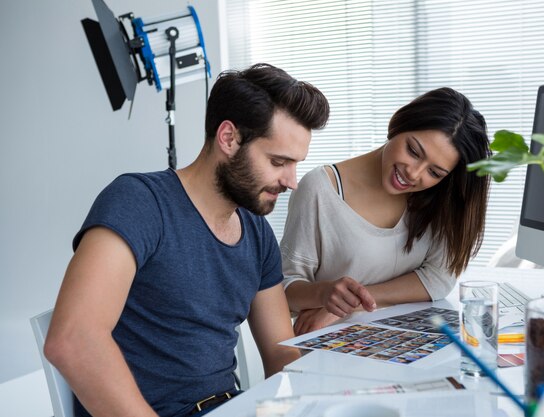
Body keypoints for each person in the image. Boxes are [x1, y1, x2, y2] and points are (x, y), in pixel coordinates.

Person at [44, 63, 330, 417]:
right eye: (278, 162)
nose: (292, 181)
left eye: (295, 164)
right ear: (229, 138)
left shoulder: (256, 232)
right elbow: (72, 341)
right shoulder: (139, 203)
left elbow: (279, 352)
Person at [280, 87, 490, 335]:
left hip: (403, 346)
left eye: (434, 172)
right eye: (413, 151)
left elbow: (439, 278)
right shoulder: (319, 189)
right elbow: (284, 291)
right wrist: (324, 295)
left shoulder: (438, 198)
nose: (414, 173)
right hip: (329, 350)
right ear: (399, 124)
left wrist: (355, 303)